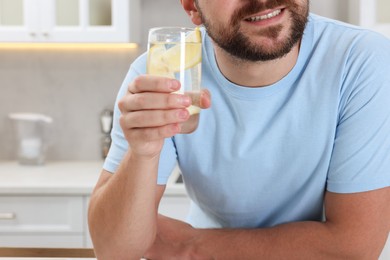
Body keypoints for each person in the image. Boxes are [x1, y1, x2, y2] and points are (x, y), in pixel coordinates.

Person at [88, 0, 390, 259]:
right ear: (192, 6)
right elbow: (114, 249)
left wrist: (188, 246)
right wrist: (142, 153)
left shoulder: (362, 61)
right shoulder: (164, 70)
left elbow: (353, 248)